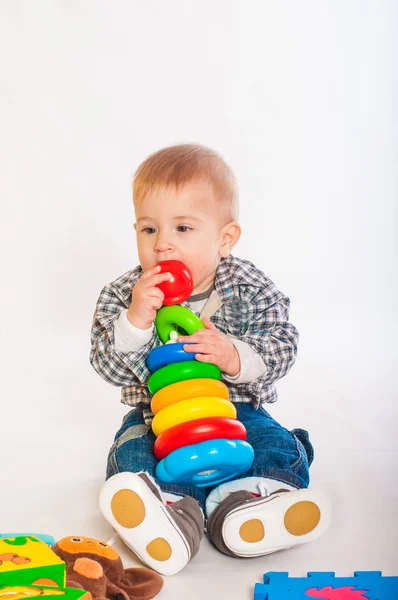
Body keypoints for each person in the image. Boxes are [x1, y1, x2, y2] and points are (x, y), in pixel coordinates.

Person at [90, 144, 331, 576]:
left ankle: (252, 503)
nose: (162, 244)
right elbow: (105, 364)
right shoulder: (124, 293)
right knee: (132, 454)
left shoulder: (247, 285)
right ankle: (171, 514)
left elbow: (282, 342)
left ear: (225, 238)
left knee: (273, 443)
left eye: (182, 228)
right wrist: (136, 322)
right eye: (148, 230)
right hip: (158, 416)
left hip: (236, 411)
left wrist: (234, 355)